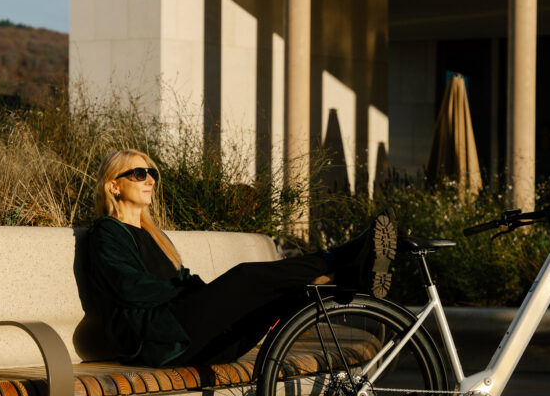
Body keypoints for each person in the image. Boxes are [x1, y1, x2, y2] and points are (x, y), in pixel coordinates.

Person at [86, 149, 396, 368]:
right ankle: (341, 255)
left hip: (198, 343)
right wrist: (200, 296)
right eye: (139, 174)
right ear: (114, 185)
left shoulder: (154, 234)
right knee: (246, 276)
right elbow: (130, 287)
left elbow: (179, 279)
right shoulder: (107, 232)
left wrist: (203, 295)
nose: (149, 180)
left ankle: (350, 279)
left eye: (151, 173)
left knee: (283, 296)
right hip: (156, 342)